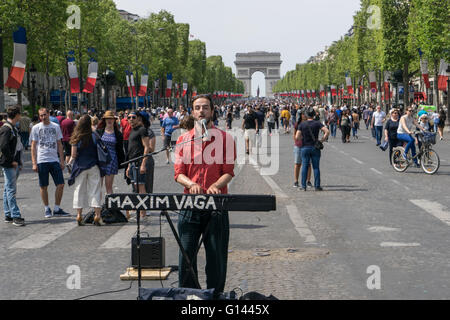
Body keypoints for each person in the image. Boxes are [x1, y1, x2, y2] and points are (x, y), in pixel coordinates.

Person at [174, 94, 236, 295]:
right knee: (186, 257)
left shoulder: (225, 139)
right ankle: (191, 296)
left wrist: (216, 185)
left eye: (205, 107)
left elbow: (228, 171)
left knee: (216, 258)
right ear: (192, 112)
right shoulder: (183, 140)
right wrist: (191, 183)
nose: (201, 111)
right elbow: (178, 174)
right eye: (198, 107)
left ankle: (214, 295)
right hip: (189, 206)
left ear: (212, 111)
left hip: (216, 206)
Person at [31, 108, 70, 218]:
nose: (43, 117)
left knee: (61, 184)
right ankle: (47, 208)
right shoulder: (35, 128)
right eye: (41, 116)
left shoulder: (55, 127)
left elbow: (59, 144)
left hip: (54, 160)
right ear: (39, 117)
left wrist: (62, 161)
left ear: (49, 114)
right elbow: (33, 146)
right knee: (43, 186)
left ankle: (57, 208)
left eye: (45, 115)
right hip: (42, 160)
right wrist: (34, 163)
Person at [67, 115, 103, 226]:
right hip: (93, 166)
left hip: (80, 167)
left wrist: (69, 164)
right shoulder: (94, 135)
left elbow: (73, 155)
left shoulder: (76, 137)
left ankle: (79, 215)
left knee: (79, 190)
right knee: (95, 190)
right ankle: (97, 215)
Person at [126, 111, 154, 219]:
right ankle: (139, 210)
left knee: (141, 187)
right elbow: (131, 149)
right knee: (135, 187)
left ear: (138, 119)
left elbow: (147, 147)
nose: (131, 119)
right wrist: (128, 166)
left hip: (139, 162)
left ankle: (143, 212)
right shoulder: (132, 131)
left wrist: (143, 163)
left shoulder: (142, 130)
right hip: (133, 163)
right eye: (129, 117)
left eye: (134, 117)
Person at [0, 106, 25, 226]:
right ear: (16, 115)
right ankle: (15, 216)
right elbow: (4, 146)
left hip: (12, 163)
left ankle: (8, 214)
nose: (20, 116)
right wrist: (11, 161)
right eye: (19, 114)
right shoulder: (7, 128)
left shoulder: (11, 128)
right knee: (11, 190)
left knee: (7, 189)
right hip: (9, 164)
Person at [296, 107, 329, 191]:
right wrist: (322, 140)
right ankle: (317, 186)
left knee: (304, 167)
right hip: (315, 147)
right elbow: (327, 131)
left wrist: (302, 139)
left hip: (305, 147)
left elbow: (297, 137)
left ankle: (303, 186)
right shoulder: (317, 123)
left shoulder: (302, 124)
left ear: (306, 115)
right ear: (314, 115)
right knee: (316, 167)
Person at [96, 111, 125, 195]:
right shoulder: (99, 131)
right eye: (107, 119)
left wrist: (123, 163)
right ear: (104, 120)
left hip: (112, 161)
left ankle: (109, 206)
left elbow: (120, 149)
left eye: (111, 119)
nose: (109, 120)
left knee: (109, 187)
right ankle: (97, 207)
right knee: (98, 186)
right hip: (100, 161)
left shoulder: (118, 134)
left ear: (114, 120)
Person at [293, 110, 312, 188]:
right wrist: (297, 142)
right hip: (298, 146)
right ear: (300, 115)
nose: (304, 116)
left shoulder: (310, 123)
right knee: (297, 164)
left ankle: (308, 181)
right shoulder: (297, 124)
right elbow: (294, 135)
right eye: (303, 114)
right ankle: (296, 181)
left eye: (305, 114)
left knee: (308, 164)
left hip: (308, 145)